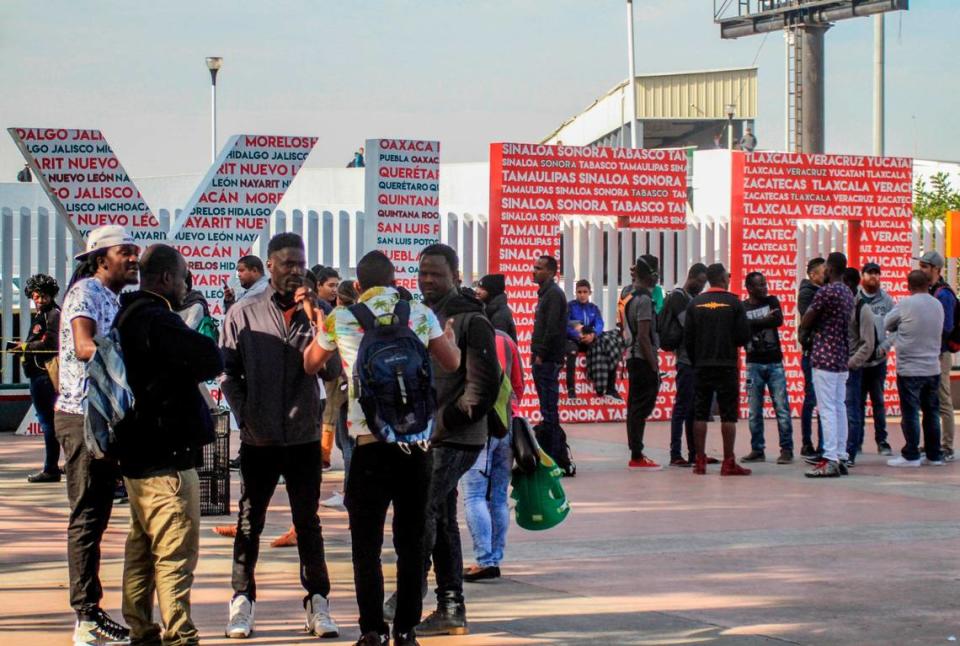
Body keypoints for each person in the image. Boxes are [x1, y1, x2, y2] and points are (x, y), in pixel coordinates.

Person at [304, 250, 460, 646]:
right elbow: (452, 363)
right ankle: (406, 630)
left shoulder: (342, 318)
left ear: (358, 286)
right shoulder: (418, 314)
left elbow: (310, 364)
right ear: (395, 281)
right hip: (415, 448)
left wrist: (321, 332)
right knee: (411, 543)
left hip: (368, 447)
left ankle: (372, 630)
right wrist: (451, 339)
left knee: (366, 545)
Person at [220, 233, 339, 639]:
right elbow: (228, 373)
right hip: (260, 438)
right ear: (269, 265)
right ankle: (242, 601)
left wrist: (318, 319)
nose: (295, 270)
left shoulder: (320, 310)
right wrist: (245, 415)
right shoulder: (243, 312)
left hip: (304, 435)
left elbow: (334, 370)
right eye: (287, 263)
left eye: (300, 263)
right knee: (250, 521)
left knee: (308, 522)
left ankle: (318, 603)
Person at [113, 244, 224, 646]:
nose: (186, 285)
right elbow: (212, 359)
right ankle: (180, 634)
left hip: (135, 455)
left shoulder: (123, 314)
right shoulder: (159, 319)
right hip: (169, 459)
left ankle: (141, 629)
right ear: (165, 279)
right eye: (183, 278)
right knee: (175, 553)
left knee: (141, 550)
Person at [54, 225, 140, 645]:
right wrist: (132, 354)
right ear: (101, 257)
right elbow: (84, 344)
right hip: (81, 417)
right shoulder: (86, 292)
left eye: (135, 252)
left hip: (103, 418)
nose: (133, 258)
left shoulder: (113, 297)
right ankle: (86, 616)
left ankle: (90, 612)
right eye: (125, 252)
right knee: (87, 517)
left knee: (98, 517)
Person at [414, 243, 500, 637]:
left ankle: (411, 594)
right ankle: (451, 606)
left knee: (423, 512)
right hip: (431, 436)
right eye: (423, 273)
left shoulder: (470, 320)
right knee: (442, 517)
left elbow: (481, 391)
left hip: (458, 437)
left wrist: (439, 424)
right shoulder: (423, 316)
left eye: (436, 273)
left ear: (455, 274)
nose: (428, 280)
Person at [462, 329, 523, 583]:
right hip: (506, 425)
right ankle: (495, 557)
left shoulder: (463, 338)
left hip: (476, 429)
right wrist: (508, 408)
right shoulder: (506, 340)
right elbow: (519, 384)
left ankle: (484, 560)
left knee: (474, 494)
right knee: (498, 496)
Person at [683, 263, 752, 476]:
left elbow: (688, 339)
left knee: (701, 413)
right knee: (728, 415)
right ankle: (728, 462)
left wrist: (697, 361)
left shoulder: (695, 303)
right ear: (723, 279)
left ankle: (700, 461)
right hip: (727, 365)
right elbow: (743, 337)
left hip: (702, 365)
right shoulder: (734, 303)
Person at [801, 252, 855, 478]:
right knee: (839, 405)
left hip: (824, 355)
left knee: (826, 409)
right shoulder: (848, 293)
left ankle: (830, 458)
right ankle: (841, 455)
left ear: (830, 269)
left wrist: (805, 330)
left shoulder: (826, 291)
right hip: (842, 356)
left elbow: (807, 318)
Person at [884, 270, 945, 467]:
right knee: (932, 412)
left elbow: (886, 323)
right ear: (928, 283)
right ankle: (934, 455)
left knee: (910, 412)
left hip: (910, 369)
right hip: (933, 368)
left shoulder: (905, 304)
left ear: (909, 286)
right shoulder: (937, 304)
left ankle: (911, 454)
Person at [741, 271, 794, 465]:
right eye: (760, 285)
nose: (765, 287)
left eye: (765, 283)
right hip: (753, 363)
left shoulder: (772, 301)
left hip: (774, 362)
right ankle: (757, 449)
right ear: (749, 288)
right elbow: (742, 328)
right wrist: (761, 321)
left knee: (782, 408)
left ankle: (787, 449)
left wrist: (751, 323)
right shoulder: (743, 306)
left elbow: (777, 320)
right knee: (755, 410)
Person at [13, 274, 62, 483]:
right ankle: (52, 467)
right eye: (36, 296)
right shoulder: (41, 315)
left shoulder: (53, 315)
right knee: (49, 423)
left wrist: (24, 347)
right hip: (37, 375)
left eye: (43, 296)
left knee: (49, 423)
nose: (40, 300)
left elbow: (51, 343)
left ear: (51, 296)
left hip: (45, 376)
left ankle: (51, 469)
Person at [664, 263, 708, 467]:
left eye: (704, 283)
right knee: (682, 406)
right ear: (690, 276)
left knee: (693, 408)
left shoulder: (693, 298)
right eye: (699, 281)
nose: (701, 286)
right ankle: (675, 453)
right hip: (685, 360)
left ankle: (695, 452)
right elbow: (687, 324)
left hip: (695, 360)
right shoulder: (678, 296)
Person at [531, 255, 572, 474]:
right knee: (547, 410)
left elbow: (552, 329)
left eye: (539, 268)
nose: (534, 271)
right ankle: (552, 456)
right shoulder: (547, 294)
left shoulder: (554, 295)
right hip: (543, 358)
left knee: (549, 411)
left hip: (546, 359)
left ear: (550, 272)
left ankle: (556, 459)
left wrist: (541, 354)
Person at [917, 251, 957, 462]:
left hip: (939, 353)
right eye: (921, 266)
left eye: (925, 266)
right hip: (928, 353)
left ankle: (947, 446)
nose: (921, 270)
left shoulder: (943, 295)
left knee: (943, 400)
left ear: (936, 270)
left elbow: (947, 326)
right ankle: (932, 443)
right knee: (928, 401)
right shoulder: (928, 291)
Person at [622, 258, 662, 469]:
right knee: (641, 407)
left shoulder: (626, 293)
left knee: (633, 406)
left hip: (630, 356)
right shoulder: (645, 299)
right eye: (656, 274)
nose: (657, 278)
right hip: (643, 358)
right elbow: (644, 337)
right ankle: (637, 454)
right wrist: (654, 366)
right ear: (650, 275)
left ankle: (635, 452)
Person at [859, 262, 895, 456]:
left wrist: (885, 347)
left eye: (876, 273)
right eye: (869, 273)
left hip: (878, 361)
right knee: (857, 402)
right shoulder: (855, 297)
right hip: (859, 361)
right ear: (862, 275)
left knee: (878, 401)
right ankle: (856, 442)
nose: (873, 277)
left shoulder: (886, 300)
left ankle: (882, 441)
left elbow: (896, 329)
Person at [842, 268, 876, 467]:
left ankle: (850, 452)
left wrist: (850, 363)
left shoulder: (862, 309)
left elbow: (868, 344)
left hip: (851, 368)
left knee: (852, 411)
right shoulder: (841, 305)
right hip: (836, 367)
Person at [312, 266, 342, 470]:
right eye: (331, 285)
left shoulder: (332, 310)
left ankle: (324, 456)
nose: (334, 290)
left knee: (329, 413)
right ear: (318, 285)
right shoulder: (321, 308)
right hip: (319, 366)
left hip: (331, 369)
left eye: (337, 286)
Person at [797, 257, 826, 457]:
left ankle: (823, 444)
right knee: (811, 400)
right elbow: (810, 316)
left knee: (824, 402)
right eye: (823, 271)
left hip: (824, 354)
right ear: (813, 275)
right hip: (812, 353)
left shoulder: (826, 291)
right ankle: (807, 442)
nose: (827, 274)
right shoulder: (807, 294)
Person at [565, 280, 605, 399]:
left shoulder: (594, 308)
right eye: (579, 292)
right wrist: (577, 335)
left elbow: (600, 324)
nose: (582, 295)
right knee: (572, 353)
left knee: (601, 349)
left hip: (589, 338)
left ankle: (601, 385)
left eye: (585, 292)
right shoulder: (570, 306)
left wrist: (593, 335)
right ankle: (571, 389)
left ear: (590, 293)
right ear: (575, 293)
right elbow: (564, 325)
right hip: (573, 339)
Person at [475, 273, 517, 342]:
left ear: (492, 291)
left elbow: (498, 343)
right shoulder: (491, 309)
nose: (477, 291)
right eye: (478, 287)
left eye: (482, 289)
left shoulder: (500, 315)